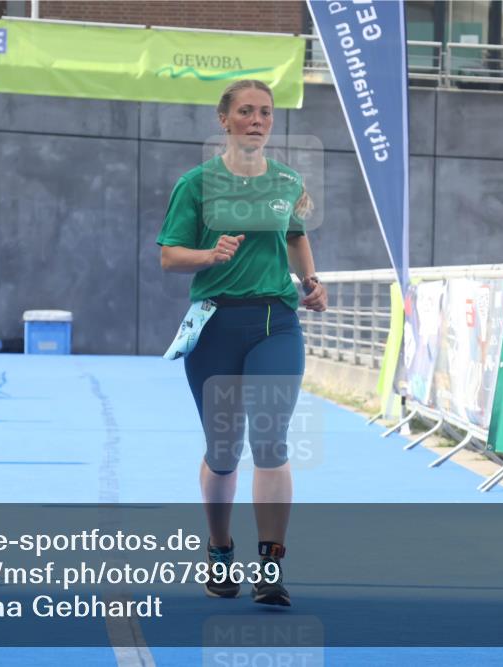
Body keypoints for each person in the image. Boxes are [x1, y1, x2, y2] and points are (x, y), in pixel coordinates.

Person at [157, 79, 328, 607]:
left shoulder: (287, 180)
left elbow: (295, 235)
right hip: (216, 326)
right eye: (247, 111)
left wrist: (311, 281)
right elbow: (170, 256)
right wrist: (209, 255)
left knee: (271, 441)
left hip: (276, 322)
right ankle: (219, 547)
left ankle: (270, 567)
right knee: (224, 452)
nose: (257, 120)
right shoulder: (196, 184)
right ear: (224, 119)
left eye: (266, 113)